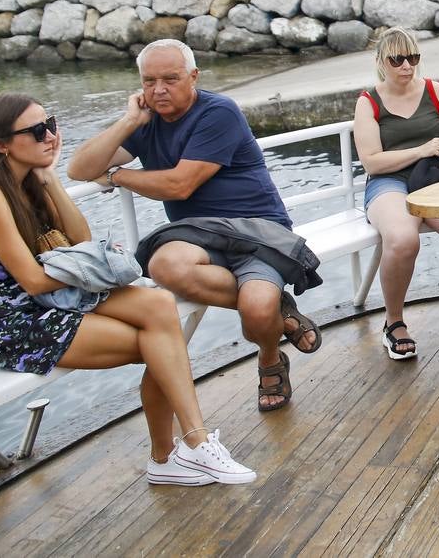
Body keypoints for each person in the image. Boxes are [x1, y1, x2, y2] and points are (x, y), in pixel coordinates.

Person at [0, 94, 255, 485]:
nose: (50, 136)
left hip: (52, 299)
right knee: (159, 342)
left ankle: (187, 446)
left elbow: (79, 237)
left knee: (159, 306)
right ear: (0, 144)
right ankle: (180, 451)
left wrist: (49, 178)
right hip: (9, 321)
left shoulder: (27, 182)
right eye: (37, 131)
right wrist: (103, 268)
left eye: (52, 124)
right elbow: (34, 280)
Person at [68, 39, 321, 412]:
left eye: (170, 79)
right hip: (198, 235)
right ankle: (279, 309)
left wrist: (120, 175)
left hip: (257, 230)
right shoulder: (146, 121)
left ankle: (269, 357)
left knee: (255, 313)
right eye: (149, 81)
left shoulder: (218, 112)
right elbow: (79, 169)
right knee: (164, 265)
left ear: (193, 76)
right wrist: (127, 123)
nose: (158, 90)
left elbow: (179, 184)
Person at [352, 27, 439, 367]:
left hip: (433, 177)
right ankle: (395, 322)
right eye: (397, 59)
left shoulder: (434, 90)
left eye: (413, 57)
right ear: (381, 62)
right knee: (402, 239)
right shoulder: (368, 102)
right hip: (388, 181)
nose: (406, 66)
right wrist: (419, 150)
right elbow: (371, 160)